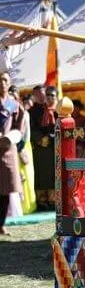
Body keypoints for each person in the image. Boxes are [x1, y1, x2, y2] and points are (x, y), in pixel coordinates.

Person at [0, 72, 26, 235]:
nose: (2, 83)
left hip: (7, 151)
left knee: (5, 190)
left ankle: (1, 224)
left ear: (9, 83)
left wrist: (12, 136)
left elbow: (19, 126)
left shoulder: (14, 104)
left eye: (5, 80)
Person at [8, 87, 36, 215]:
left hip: (23, 147)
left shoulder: (23, 112)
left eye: (14, 95)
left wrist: (21, 150)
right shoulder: (7, 113)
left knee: (26, 177)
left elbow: (24, 134)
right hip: (11, 147)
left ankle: (27, 206)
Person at [29, 85, 58, 210]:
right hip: (40, 147)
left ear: (57, 97)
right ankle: (41, 201)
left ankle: (53, 200)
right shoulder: (37, 111)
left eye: (53, 95)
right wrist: (40, 139)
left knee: (53, 174)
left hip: (55, 148)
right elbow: (32, 127)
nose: (50, 97)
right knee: (40, 174)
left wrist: (51, 138)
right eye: (48, 95)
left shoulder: (60, 110)